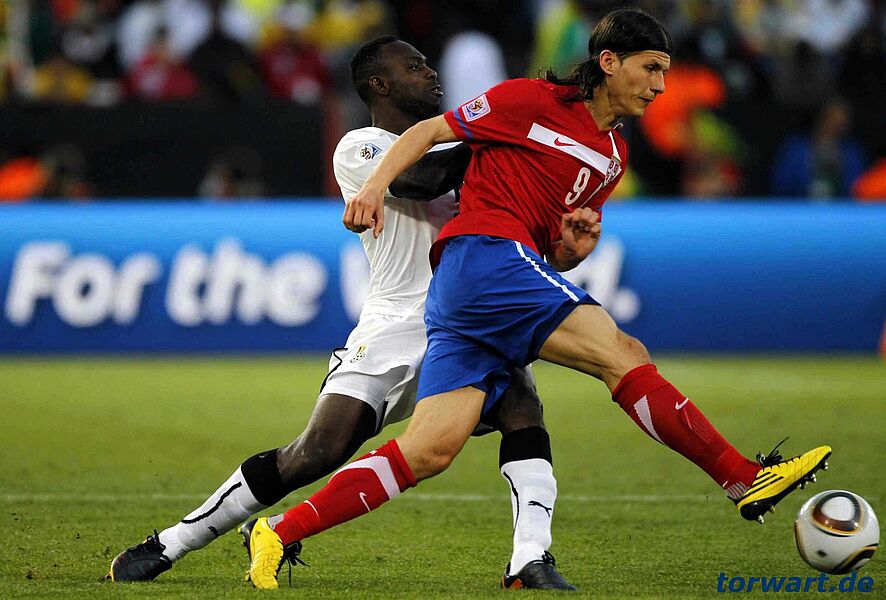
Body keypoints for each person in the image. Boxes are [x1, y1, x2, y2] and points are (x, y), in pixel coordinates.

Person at [240, 9, 832, 589]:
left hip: (479, 283)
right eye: (650, 68)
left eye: (664, 72)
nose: (659, 86)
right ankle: (741, 477)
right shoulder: (528, 99)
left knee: (428, 450)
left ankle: (280, 531)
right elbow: (428, 132)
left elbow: (547, 252)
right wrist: (371, 188)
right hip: (481, 255)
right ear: (609, 62)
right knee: (622, 353)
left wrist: (570, 249)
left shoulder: (613, 158)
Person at [108, 36, 574, 591]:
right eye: (415, 66)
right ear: (380, 84)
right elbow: (418, 179)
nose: (431, 73)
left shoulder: (463, 154)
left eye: (428, 63)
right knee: (314, 453)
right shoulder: (362, 147)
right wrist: (501, 128)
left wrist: (562, 239)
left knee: (523, 410)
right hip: (394, 327)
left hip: (468, 321)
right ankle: (173, 541)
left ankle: (529, 558)